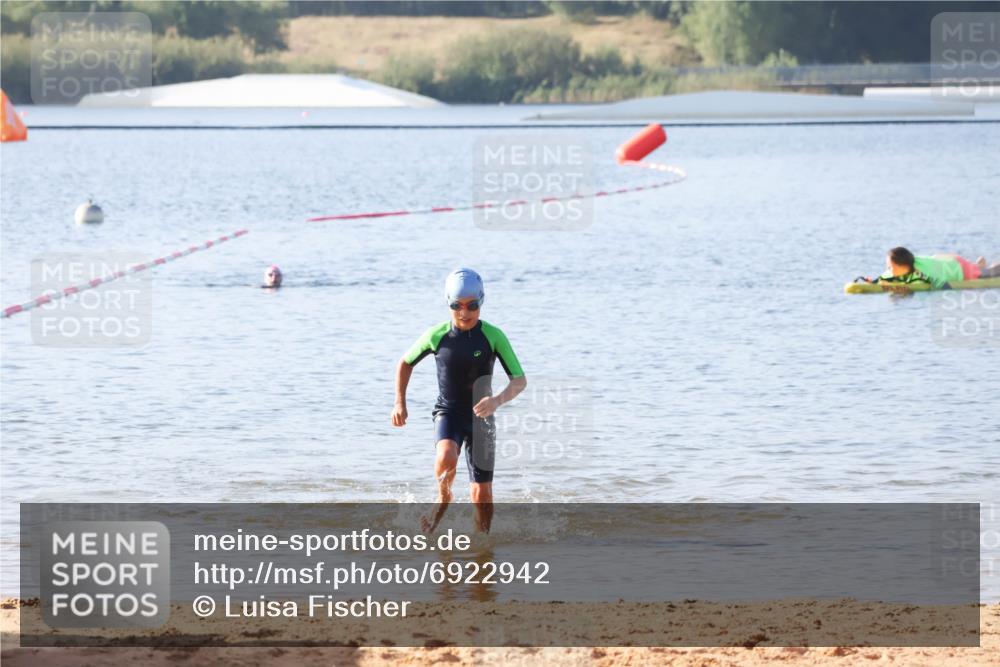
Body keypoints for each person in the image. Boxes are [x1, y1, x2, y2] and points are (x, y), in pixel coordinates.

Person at [392, 268, 527, 534]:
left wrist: (496, 401)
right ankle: (443, 497)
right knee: (445, 455)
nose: (464, 313)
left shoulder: (494, 335)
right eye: (457, 306)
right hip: (449, 412)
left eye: (472, 306)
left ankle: (482, 547)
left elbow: (519, 380)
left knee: (482, 495)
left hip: (482, 418)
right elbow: (405, 363)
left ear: (481, 302)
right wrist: (400, 403)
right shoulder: (436, 335)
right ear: (448, 304)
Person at [863, 247, 1000, 288]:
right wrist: (874, 282)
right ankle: (978, 265)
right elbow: (887, 276)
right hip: (946, 260)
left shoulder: (920, 273)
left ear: (903, 266)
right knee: (977, 268)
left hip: (958, 268)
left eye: (891, 267)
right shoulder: (906, 265)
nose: (889, 271)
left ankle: (980, 267)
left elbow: (941, 284)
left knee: (990, 273)